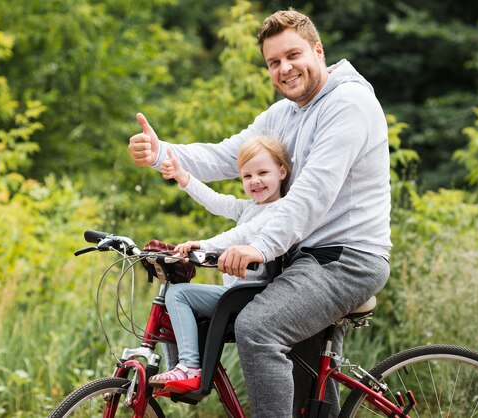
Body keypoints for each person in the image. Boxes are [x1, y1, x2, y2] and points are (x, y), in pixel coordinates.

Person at [128, 9, 391, 418]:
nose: (284, 69)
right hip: (301, 261)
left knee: (258, 327)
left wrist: (260, 246)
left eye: (293, 55)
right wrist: (162, 152)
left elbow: (312, 193)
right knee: (304, 390)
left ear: (318, 51)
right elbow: (225, 155)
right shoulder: (282, 115)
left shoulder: (349, 104)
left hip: (347, 259)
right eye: (273, 62)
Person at [148, 136, 291, 393]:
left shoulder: (280, 209)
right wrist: (184, 178)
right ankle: (178, 368)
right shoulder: (250, 207)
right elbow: (216, 201)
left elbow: (243, 234)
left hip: (251, 297)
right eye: (247, 176)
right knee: (172, 303)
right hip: (234, 295)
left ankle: (189, 366)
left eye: (262, 173)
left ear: (282, 171)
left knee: (179, 294)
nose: (255, 181)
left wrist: (203, 245)